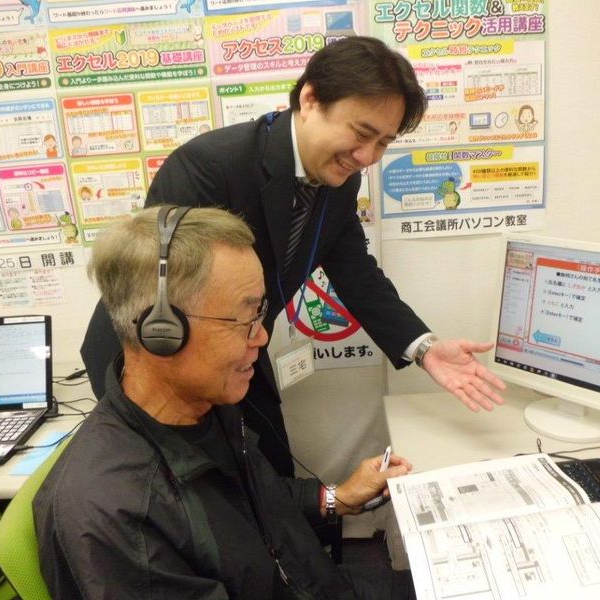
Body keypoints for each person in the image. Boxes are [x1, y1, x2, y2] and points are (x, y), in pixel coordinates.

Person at [81, 36, 506, 477]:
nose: (367, 157)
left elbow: (356, 273)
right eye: (361, 134)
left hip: (239, 352)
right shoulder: (209, 166)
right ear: (310, 99)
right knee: (200, 494)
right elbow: (160, 290)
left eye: (383, 143)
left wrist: (424, 348)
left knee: (272, 473)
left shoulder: (340, 181)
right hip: (158, 358)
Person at [35, 205, 416, 599]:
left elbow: (248, 504)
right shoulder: (118, 519)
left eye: (260, 313)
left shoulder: (204, 408)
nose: (261, 337)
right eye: (244, 319)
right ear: (162, 332)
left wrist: (337, 497)